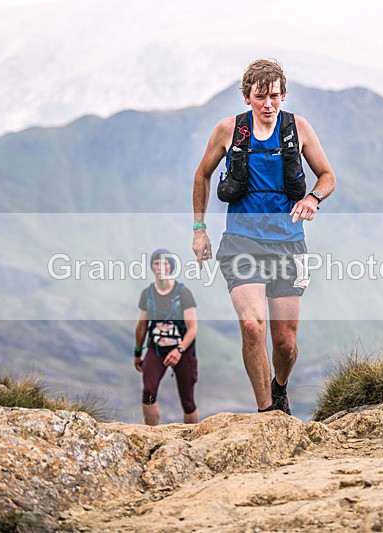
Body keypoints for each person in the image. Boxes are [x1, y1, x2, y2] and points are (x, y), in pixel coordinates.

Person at [191, 59, 336, 415]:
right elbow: (202, 176)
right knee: (253, 326)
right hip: (242, 242)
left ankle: (280, 387)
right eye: (260, 96)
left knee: (285, 343)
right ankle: (267, 412)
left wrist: (312, 198)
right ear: (247, 97)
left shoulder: (298, 129)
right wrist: (199, 229)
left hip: (289, 243)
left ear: (282, 95)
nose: (268, 103)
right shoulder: (228, 131)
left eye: (274, 95)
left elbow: (328, 175)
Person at [134, 248, 199, 425]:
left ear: (171, 267)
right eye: (156, 263)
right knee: (148, 392)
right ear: (152, 267)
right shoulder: (147, 294)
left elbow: (192, 328)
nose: (161, 267)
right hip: (156, 350)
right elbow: (141, 327)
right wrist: (138, 352)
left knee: (188, 401)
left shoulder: (183, 293)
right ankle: (151, 436)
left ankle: (191, 441)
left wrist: (179, 350)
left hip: (183, 351)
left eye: (165, 263)